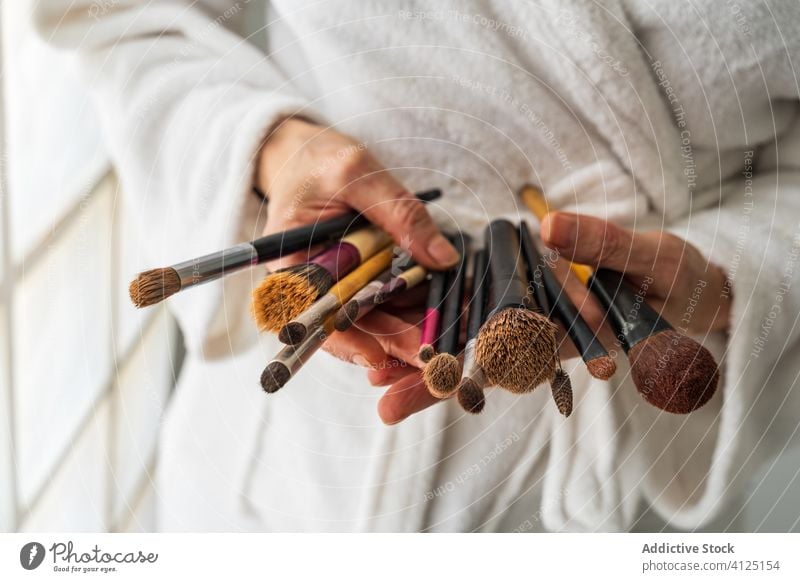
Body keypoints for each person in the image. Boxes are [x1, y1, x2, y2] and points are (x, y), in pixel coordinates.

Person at [36, 0, 800, 532]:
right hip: (282, 478)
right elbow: (122, 17)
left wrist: (730, 278)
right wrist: (273, 146)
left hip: (609, 489)